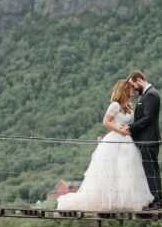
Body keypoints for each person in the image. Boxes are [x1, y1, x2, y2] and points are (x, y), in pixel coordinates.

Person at [56, 80, 154, 212]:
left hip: (128, 143)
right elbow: (106, 122)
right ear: (123, 89)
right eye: (130, 88)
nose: (133, 89)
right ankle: (111, 201)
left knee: (126, 170)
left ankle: (125, 201)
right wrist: (121, 131)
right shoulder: (115, 105)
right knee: (113, 171)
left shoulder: (129, 106)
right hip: (116, 140)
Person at [123, 70, 162, 210]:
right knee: (148, 171)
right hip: (145, 140)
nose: (133, 89)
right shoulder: (145, 95)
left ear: (139, 80)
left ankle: (157, 202)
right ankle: (154, 200)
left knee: (151, 171)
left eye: (133, 85)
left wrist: (130, 127)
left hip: (149, 140)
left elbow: (148, 118)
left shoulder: (151, 94)